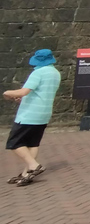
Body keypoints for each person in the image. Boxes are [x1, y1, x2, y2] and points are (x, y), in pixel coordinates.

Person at [3, 49, 61, 186]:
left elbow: (24, 91)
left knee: (14, 143)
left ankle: (34, 166)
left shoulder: (38, 72)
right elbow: (40, 93)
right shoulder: (55, 73)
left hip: (30, 114)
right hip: (44, 112)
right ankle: (26, 173)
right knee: (32, 143)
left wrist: (8, 92)